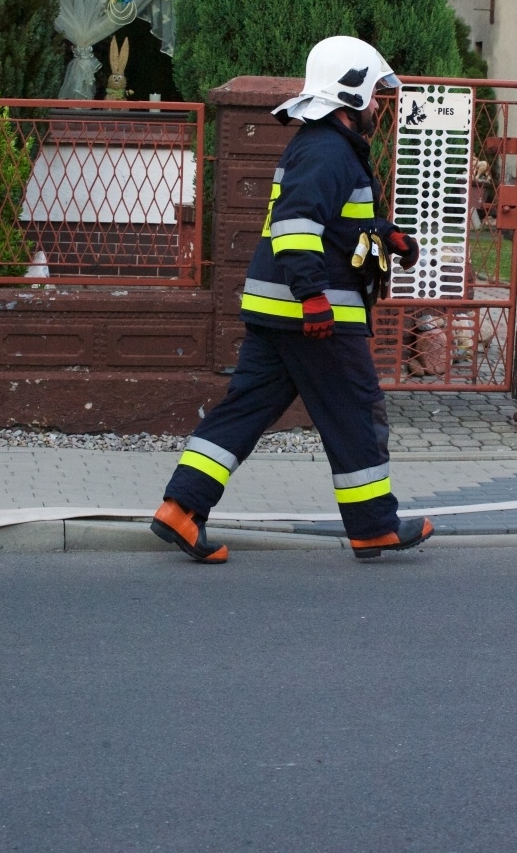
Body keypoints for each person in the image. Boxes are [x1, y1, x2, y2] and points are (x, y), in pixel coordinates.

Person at [151, 36, 434, 562]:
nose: (378, 105)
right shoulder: (328, 150)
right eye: (374, 95)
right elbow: (297, 227)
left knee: (245, 411)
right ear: (351, 95)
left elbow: (331, 223)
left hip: (279, 316)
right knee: (356, 413)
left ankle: (181, 509)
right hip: (317, 318)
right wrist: (313, 299)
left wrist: (386, 234)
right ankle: (374, 525)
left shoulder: (324, 147)